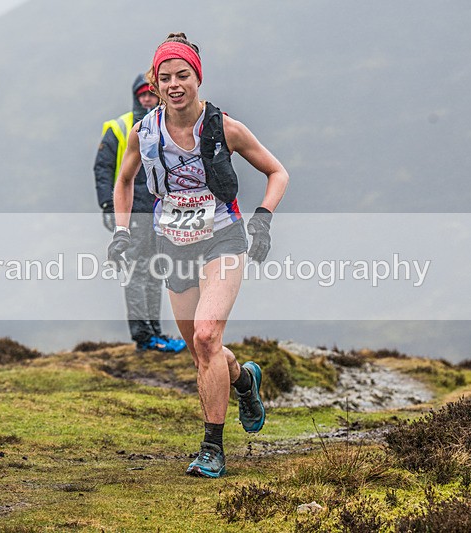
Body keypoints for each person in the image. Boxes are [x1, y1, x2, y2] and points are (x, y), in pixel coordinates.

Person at [108, 33, 289, 477]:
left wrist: (262, 219)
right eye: (165, 77)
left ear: (196, 78)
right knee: (202, 351)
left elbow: (277, 171)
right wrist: (120, 232)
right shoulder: (143, 133)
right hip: (173, 245)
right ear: (156, 82)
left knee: (207, 335)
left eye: (182, 75)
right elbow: (124, 181)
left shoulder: (224, 127)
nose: (174, 84)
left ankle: (212, 448)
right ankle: (244, 381)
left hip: (222, 239)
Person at [94, 74, 187, 354]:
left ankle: (155, 333)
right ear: (136, 96)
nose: (146, 98)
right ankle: (143, 335)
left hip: (159, 211)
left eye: (150, 93)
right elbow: (103, 168)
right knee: (136, 271)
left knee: (155, 271)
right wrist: (108, 206)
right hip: (131, 212)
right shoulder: (121, 126)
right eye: (142, 94)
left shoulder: (165, 124)